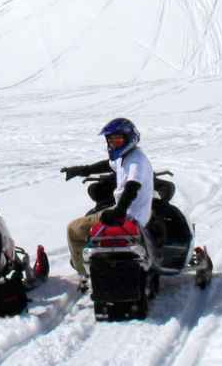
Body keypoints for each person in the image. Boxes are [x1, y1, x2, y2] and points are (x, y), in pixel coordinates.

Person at [59, 117, 155, 284]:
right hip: (129, 212)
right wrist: (81, 170)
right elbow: (109, 164)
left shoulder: (135, 161)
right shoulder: (127, 156)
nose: (113, 144)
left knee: (74, 229)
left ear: (129, 138)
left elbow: (132, 187)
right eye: (110, 140)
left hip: (130, 215)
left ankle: (82, 271)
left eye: (117, 139)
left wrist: (119, 211)